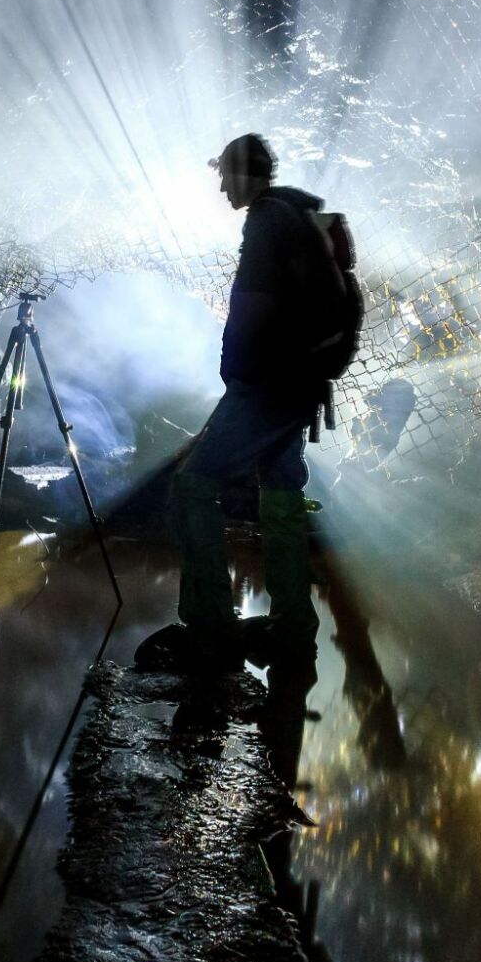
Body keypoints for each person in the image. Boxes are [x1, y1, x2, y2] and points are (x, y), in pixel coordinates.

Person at [142, 133, 329, 667]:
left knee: (192, 486)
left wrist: (237, 374)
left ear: (244, 174)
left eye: (224, 174)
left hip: (264, 387)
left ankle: (211, 627)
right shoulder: (299, 217)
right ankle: (293, 627)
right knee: (282, 497)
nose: (221, 185)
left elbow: (252, 307)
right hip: (300, 388)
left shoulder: (265, 222)